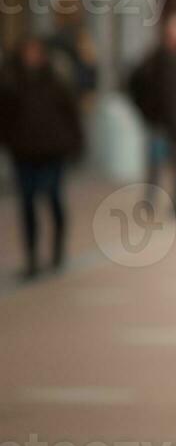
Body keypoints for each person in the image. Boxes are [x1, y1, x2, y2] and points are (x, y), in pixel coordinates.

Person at [0, 38, 83, 279]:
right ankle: (32, 257)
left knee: (53, 196)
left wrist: (75, 145)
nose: (32, 57)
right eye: (28, 52)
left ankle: (57, 248)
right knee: (27, 202)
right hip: (23, 152)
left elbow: (72, 115)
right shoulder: (12, 83)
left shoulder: (57, 83)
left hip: (52, 152)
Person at [129, 13, 176, 216]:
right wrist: (145, 110)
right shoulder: (154, 59)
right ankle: (150, 202)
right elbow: (134, 83)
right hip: (158, 122)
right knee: (154, 166)